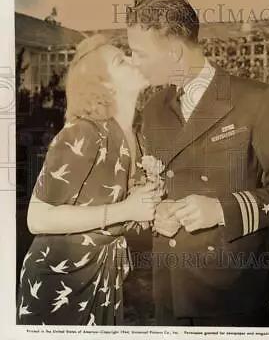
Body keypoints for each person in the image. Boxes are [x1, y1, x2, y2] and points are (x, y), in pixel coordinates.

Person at [125, 0, 269, 326]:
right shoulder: (153, 109)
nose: (133, 62)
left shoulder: (256, 100)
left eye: (139, 53)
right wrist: (156, 212)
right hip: (170, 291)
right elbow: (157, 181)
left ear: (175, 53)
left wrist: (221, 210)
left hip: (231, 294)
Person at [16, 34, 161, 325]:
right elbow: (37, 217)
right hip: (59, 281)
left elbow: (118, 209)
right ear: (104, 85)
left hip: (102, 277)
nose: (134, 60)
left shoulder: (135, 136)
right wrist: (127, 210)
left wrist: (152, 211)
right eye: (122, 61)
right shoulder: (83, 132)